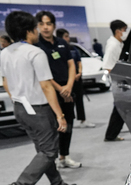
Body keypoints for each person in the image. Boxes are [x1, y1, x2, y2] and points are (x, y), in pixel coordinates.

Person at [2, 11, 77, 185]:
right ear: (28, 31)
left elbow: (5, 82)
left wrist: (17, 99)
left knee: (42, 149)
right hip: (38, 109)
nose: (38, 30)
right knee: (49, 150)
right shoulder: (35, 53)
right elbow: (46, 86)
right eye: (36, 27)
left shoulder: (5, 52)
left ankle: (57, 184)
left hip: (20, 107)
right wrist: (60, 115)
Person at [35, 11, 80, 169]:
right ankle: (50, 162)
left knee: (68, 124)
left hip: (67, 90)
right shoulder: (36, 46)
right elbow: (42, 74)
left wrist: (68, 86)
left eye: (48, 24)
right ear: (38, 26)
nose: (45, 27)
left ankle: (64, 157)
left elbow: (71, 64)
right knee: (53, 127)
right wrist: (60, 88)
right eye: (42, 24)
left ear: (54, 26)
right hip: (50, 91)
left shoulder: (62, 42)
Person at [56, 28, 95, 130]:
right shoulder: (58, 49)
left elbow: (78, 62)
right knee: (67, 101)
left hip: (77, 79)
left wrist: (79, 73)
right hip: (67, 81)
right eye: (66, 36)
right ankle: (68, 120)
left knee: (79, 100)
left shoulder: (73, 48)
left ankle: (82, 119)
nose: (68, 38)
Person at [103, 19, 128, 142]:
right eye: (124, 30)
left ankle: (112, 134)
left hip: (122, 80)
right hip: (119, 81)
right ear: (118, 31)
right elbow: (107, 65)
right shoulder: (112, 45)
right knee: (119, 107)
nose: (125, 33)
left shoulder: (119, 44)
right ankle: (111, 134)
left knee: (120, 107)